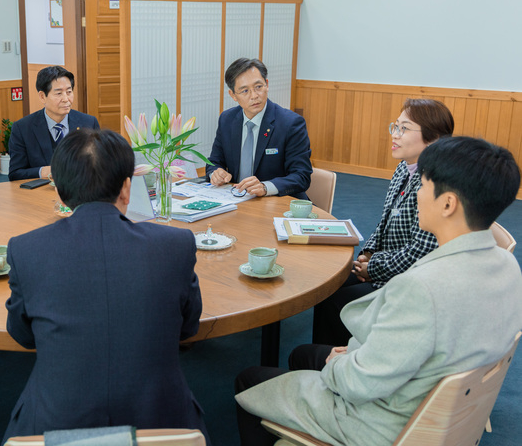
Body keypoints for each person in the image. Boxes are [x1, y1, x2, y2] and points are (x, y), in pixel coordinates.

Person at [235, 136, 522, 446]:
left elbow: (360, 384)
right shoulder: (508, 264)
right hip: (447, 408)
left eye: (422, 187)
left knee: (248, 382)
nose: (417, 196)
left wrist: (340, 362)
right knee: (303, 354)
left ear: (448, 203)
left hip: (386, 423)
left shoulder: (421, 288)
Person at [2, 129, 208, 442]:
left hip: (52, 426)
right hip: (166, 424)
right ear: (127, 189)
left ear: (59, 192)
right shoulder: (175, 244)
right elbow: (188, 328)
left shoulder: (26, 250)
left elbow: (23, 335)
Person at [312, 98, 454, 345]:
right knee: (326, 283)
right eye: (395, 126)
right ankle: (327, 357)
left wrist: (374, 267)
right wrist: (368, 253)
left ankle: (341, 366)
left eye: (404, 129)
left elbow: (420, 253)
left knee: (337, 303)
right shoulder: (405, 166)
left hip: (409, 281)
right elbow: (386, 218)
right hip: (386, 263)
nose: (394, 135)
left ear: (433, 139)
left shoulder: (437, 183)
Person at [206, 58, 312, 199]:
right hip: (236, 201)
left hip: (277, 203)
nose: (254, 96)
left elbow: (301, 176)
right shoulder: (227, 119)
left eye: (258, 87)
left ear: (267, 85)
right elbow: (214, 162)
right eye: (245, 91)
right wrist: (215, 173)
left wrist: (265, 187)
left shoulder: (290, 123)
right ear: (233, 95)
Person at [7, 66, 99, 180]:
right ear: (42, 96)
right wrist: (43, 171)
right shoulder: (22, 128)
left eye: (69, 92)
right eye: (59, 93)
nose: (66, 99)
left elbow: (100, 165)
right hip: (40, 194)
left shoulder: (89, 123)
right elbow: (15, 174)